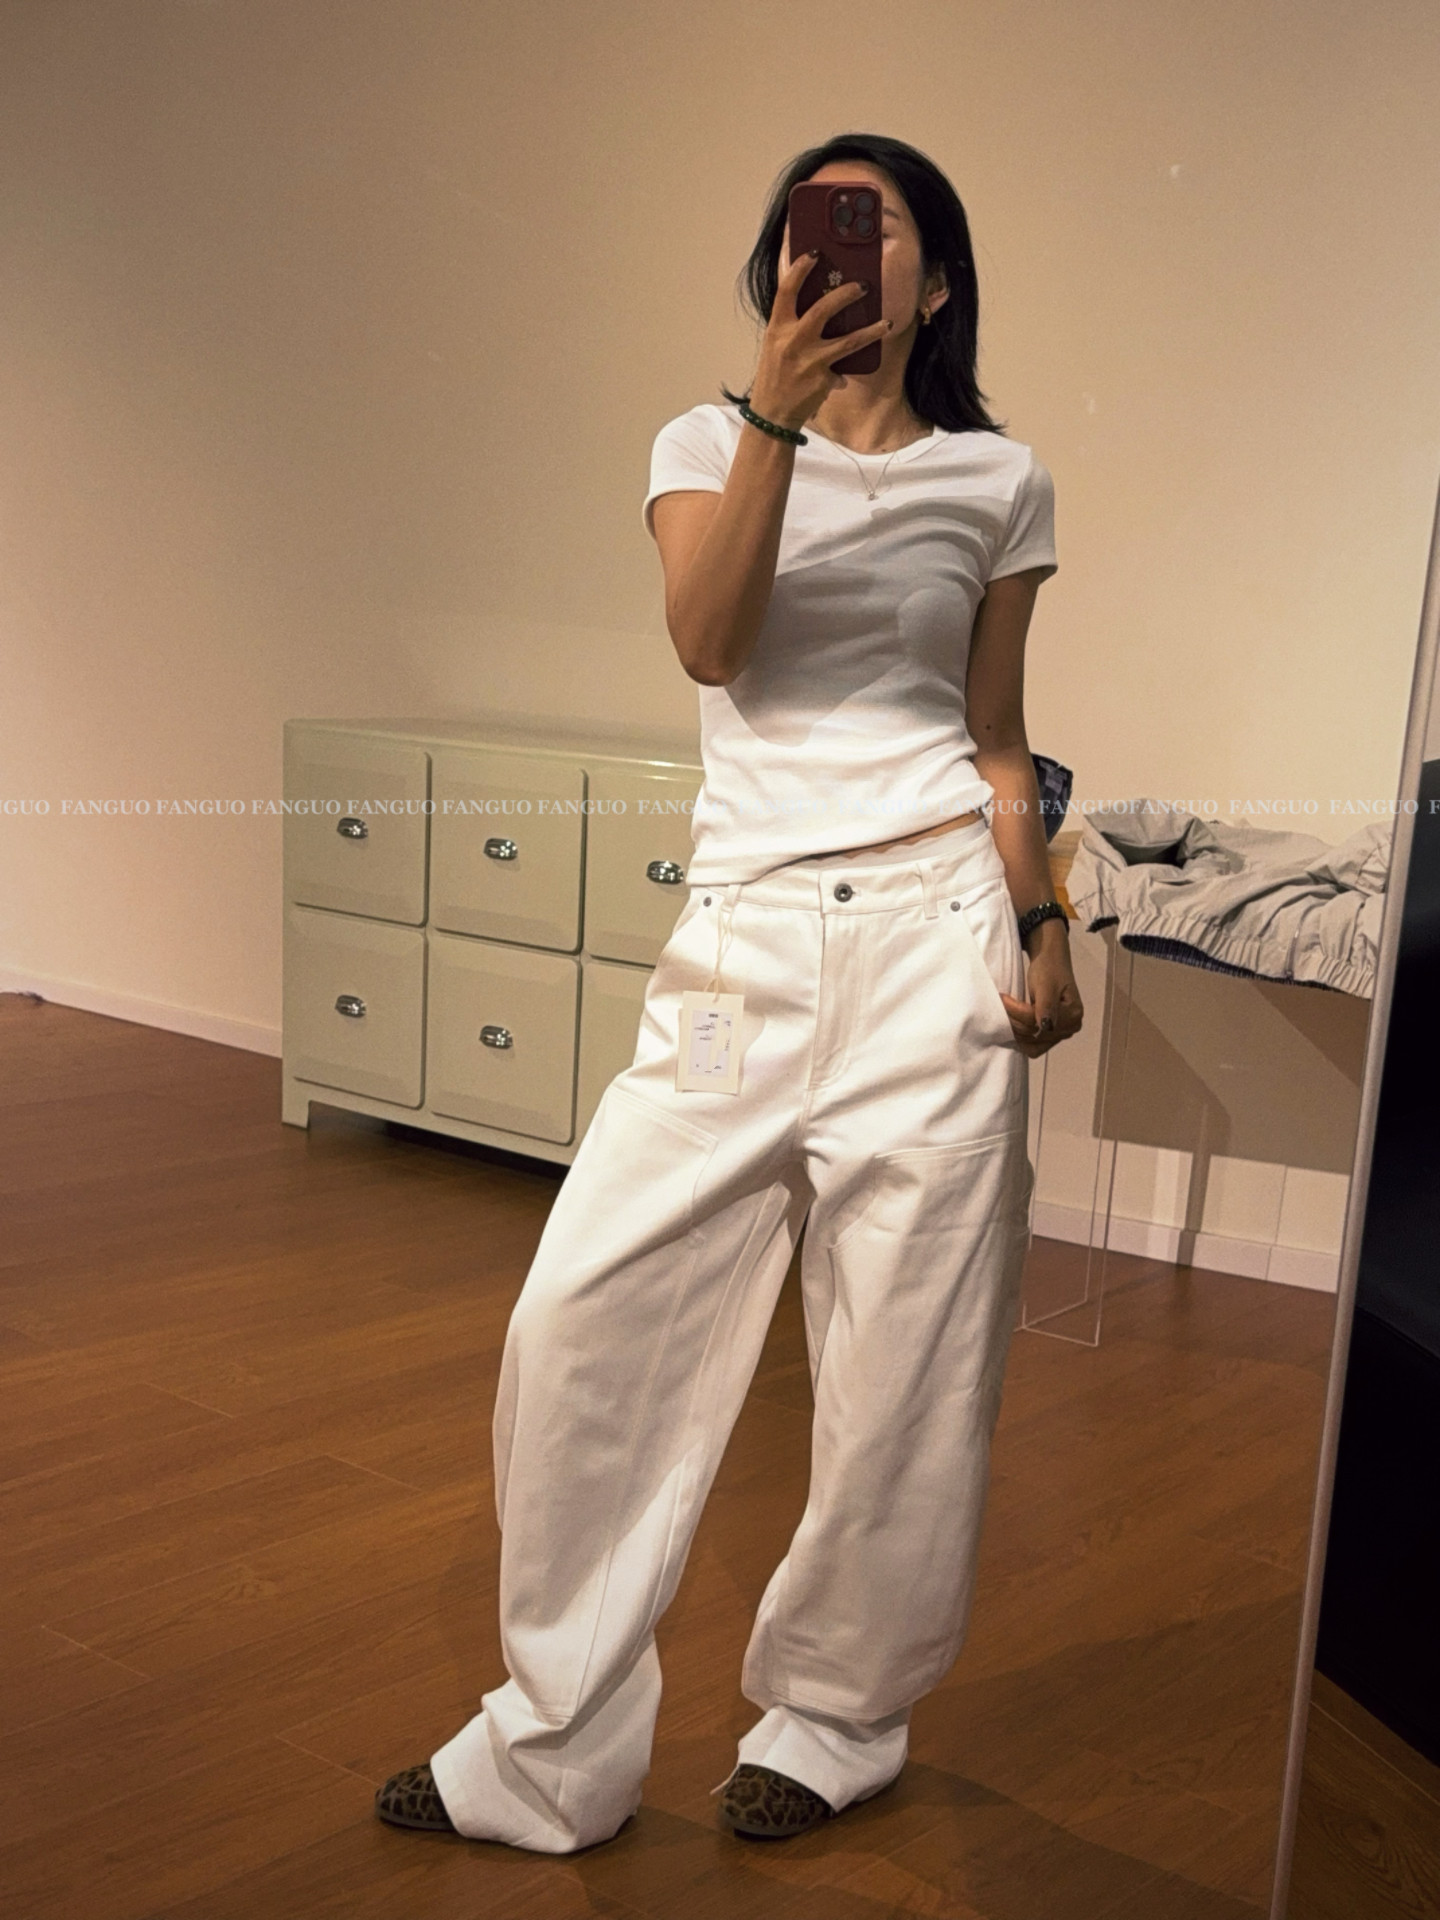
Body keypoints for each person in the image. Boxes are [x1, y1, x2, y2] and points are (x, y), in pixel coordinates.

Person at [376, 130, 1084, 1854]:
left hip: (936, 934)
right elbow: (710, 639)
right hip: (745, 942)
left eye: (875, 225)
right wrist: (777, 413)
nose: (834, 250)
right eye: (806, 227)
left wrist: (1041, 916)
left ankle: (840, 1717)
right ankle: (554, 1746)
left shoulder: (1002, 480)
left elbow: (996, 737)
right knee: (582, 1320)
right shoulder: (704, 442)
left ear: (938, 276)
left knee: (912, 1364)